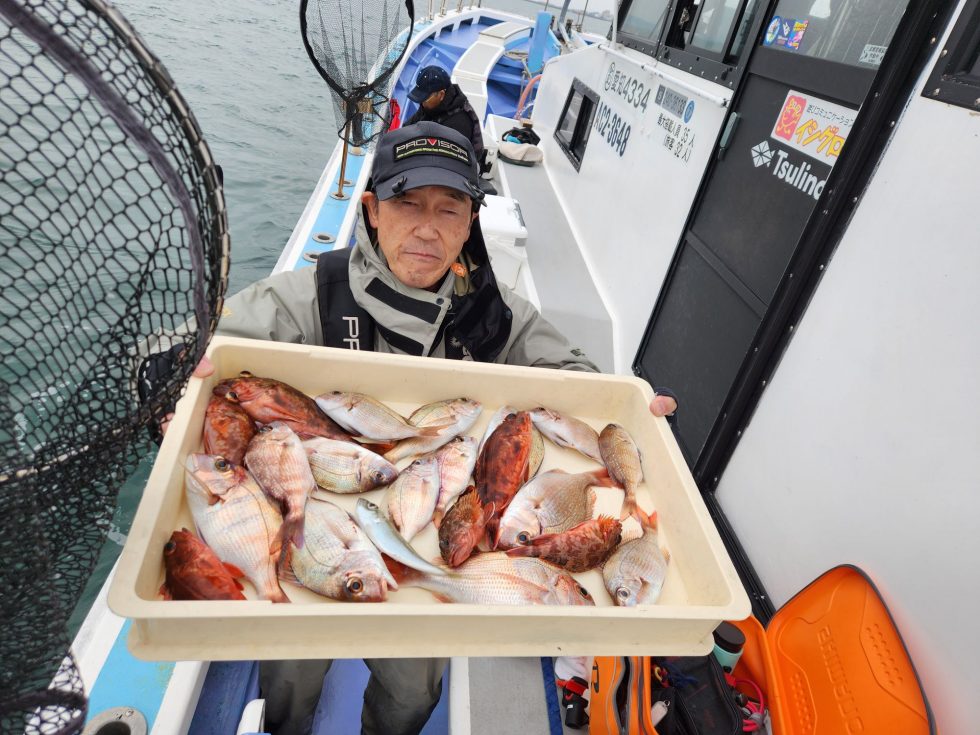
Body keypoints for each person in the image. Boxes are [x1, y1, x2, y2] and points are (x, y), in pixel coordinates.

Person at [179, 121, 676, 734]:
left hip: (422, 536)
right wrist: (175, 373)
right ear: (372, 210)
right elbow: (211, 347)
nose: (426, 227)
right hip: (312, 529)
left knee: (414, 688)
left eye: (449, 209)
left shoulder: (496, 314)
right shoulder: (311, 296)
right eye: (407, 203)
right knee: (289, 666)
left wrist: (633, 420)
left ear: (469, 224)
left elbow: (582, 385)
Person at [404, 66, 485, 166]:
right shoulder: (429, 106)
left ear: (441, 94)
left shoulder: (459, 124)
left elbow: (449, 164)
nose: (422, 103)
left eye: (425, 99)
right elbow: (409, 125)